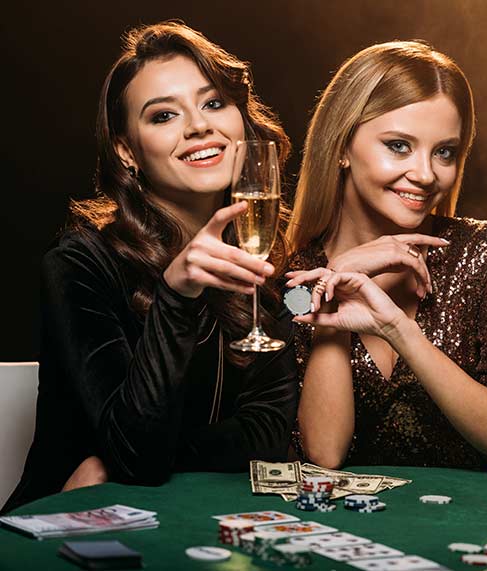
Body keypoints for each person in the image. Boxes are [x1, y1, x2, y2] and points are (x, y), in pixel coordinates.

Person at [3, 21, 297, 513]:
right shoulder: (79, 265)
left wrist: (114, 460)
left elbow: (267, 438)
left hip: (202, 523)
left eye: (213, 102)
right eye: (163, 115)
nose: (199, 126)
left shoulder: (262, 258)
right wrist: (176, 297)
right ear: (126, 151)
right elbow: (138, 458)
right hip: (67, 524)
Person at [285, 41, 487, 477]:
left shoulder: (485, 253)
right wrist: (334, 281)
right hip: (345, 534)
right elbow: (324, 456)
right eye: (399, 146)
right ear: (343, 147)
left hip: (464, 534)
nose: (425, 174)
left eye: (444, 152)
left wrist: (399, 331)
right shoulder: (295, 280)